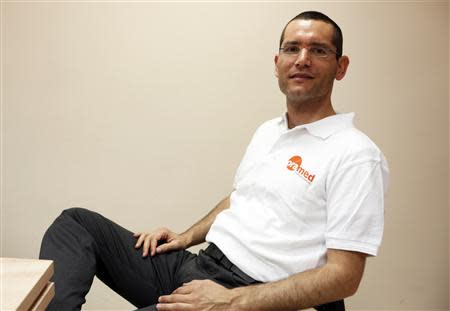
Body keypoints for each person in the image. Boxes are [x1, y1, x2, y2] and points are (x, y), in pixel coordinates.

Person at [40, 11, 389, 311]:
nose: (302, 58)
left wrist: (230, 302)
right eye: (291, 48)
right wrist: (186, 236)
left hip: (252, 296)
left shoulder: (356, 154)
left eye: (318, 50)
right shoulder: (269, 131)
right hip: (203, 265)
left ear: (340, 67)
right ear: (277, 63)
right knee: (75, 224)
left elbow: (344, 276)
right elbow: (240, 198)